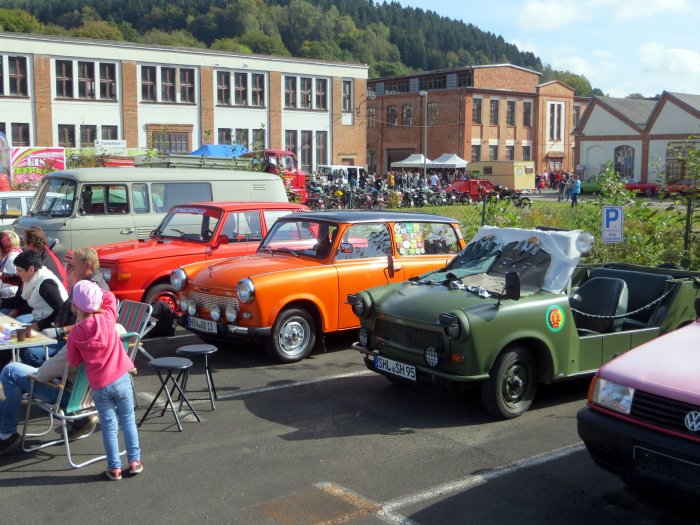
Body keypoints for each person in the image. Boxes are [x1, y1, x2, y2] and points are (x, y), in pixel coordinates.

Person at [66, 280, 143, 480]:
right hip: (121, 378)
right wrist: (95, 293)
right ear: (98, 304)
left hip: (100, 385)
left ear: (74, 307)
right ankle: (134, 462)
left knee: (109, 426)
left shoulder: (75, 333)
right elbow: (110, 298)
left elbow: (73, 362)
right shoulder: (108, 320)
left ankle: (114, 468)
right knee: (128, 420)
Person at [2, 252, 68, 356]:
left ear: (31, 269)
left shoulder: (46, 285)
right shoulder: (33, 278)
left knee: (18, 344)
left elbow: (61, 309)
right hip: (40, 318)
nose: (17, 274)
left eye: (20, 270)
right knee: (10, 339)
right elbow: (22, 300)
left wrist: (39, 325)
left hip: (51, 325)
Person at [0, 231, 22, 299]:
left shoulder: (12, 259)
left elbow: (16, 287)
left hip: (9, 301)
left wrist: (1, 292)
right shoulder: (5, 258)